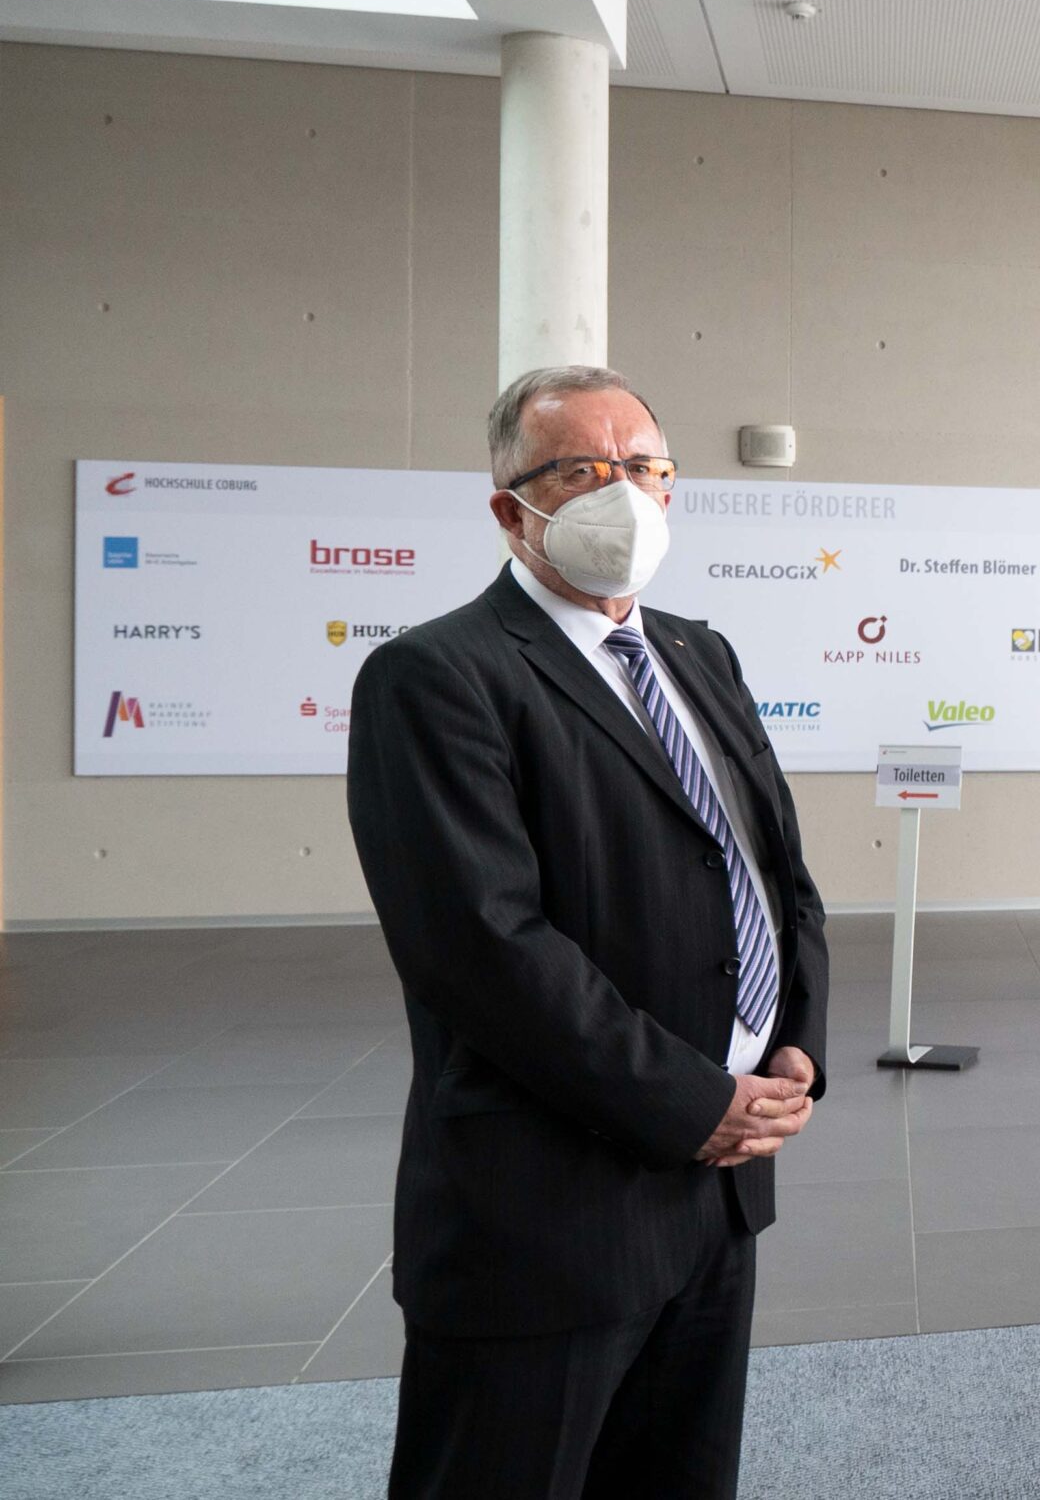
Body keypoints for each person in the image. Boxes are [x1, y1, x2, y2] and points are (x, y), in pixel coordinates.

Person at [347, 365, 831, 1500]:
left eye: (646, 468)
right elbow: (484, 947)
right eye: (583, 470)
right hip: (548, 1212)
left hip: (716, 1199)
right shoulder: (437, 676)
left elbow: (773, 870)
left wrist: (793, 1045)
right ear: (512, 509)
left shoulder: (700, 652)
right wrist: (691, 1099)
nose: (625, 493)